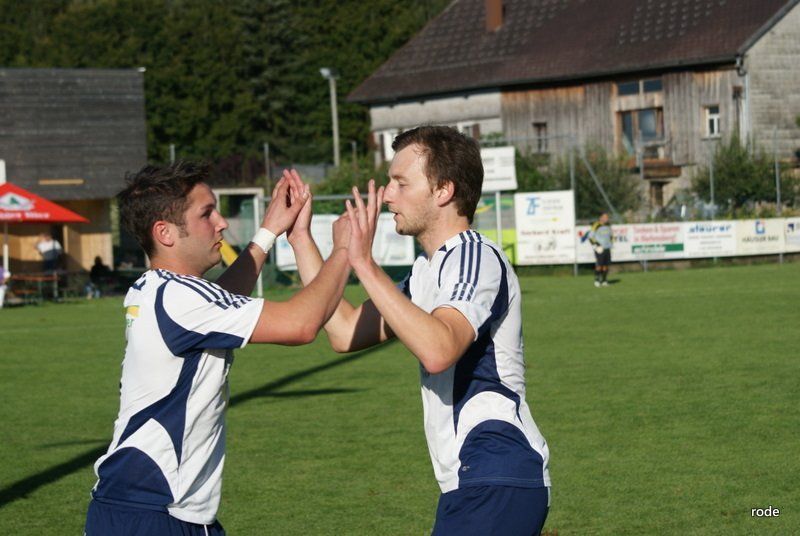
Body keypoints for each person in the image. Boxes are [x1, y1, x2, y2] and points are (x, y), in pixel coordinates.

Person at [286, 126, 551, 535]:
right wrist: (301, 239)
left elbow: (439, 350)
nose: (387, 195)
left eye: (401, 182)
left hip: (496, 470)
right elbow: (343, 330)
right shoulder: (428, 271)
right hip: (472, 480)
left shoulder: (473, 256)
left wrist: (363, 263)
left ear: (443, 190)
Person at [85, 161, 354, 535]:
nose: (221, 222)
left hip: (152, 507)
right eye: (206, 213)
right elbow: (301, 325)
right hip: (153, 513)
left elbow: (220, 300)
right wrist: (346, 249)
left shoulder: (155, 288)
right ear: (165, 232)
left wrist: (268, 232)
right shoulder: (180, 299)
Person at [587, 212, 612, 287]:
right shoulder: (596, 225)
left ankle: (604, 281)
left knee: (606, 265)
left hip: (607, 248)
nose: (606, 219)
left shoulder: (608, 226)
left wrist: (611, 243)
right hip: (600, 249)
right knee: (599, 265)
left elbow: (610, 236)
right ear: (600, 218)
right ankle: (597, 280)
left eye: (607, 217)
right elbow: (590, 237)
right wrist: (597, 245)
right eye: (605, 217)